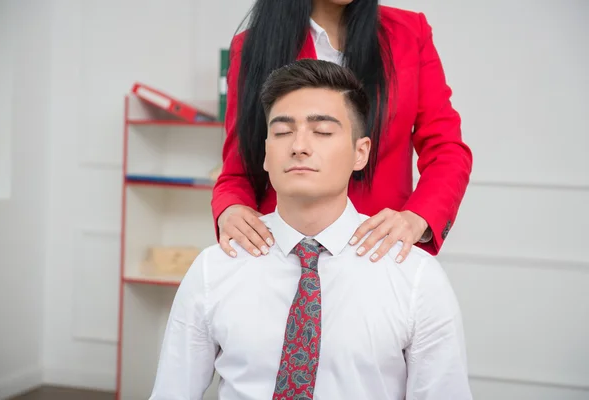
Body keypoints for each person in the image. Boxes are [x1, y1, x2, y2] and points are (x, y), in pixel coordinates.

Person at [150, 60, 472, 400]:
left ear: (360, 152)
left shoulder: (414, 277)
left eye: (322, 132)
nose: (299, 146)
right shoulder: (215, 268)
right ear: (265, 153)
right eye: (283, 132)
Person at [211, 0, 473, 264]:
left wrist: (418, 217)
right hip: (281, 254)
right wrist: (230, 208)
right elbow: (238, 168)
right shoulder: (253, 45)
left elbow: (446, 150)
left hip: (377, 252)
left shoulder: (408, 33)